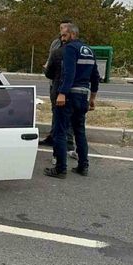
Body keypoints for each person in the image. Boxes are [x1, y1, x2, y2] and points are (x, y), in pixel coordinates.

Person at [44, 23, 100, 179]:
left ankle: (60, 169)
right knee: (80, 132)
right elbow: (95, 76)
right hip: (83, 95)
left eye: (64, 35)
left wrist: (62, 93)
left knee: (60, 131)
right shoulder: (89, 50)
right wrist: (93, 98)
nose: (62, 39)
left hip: (68, 95)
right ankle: (83, 166)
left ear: (73, 35)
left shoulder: (70, 49)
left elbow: (69, 73)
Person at [39, 19, 75, 153]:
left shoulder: (73, 46)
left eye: (65, 29)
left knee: (68, 114)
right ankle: (52, 136)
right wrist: (47, 66)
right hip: (53, 83)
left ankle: (69, 142)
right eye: (61, 28)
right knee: (55, 112)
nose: (62, 32)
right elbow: (50, 60)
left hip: (66, 85)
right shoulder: (55, 43)